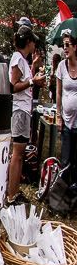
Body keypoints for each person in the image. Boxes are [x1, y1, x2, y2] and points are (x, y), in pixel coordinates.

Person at [7, 27, 45, 204]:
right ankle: (11, 195)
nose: (35, 44)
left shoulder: (22, 59)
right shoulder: (17, 58)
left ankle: (14, 191)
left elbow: (24, 79)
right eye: (33, 41)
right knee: (18, 154)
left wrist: (34, 67)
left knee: (19, 154)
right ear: (28, 42)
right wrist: (32, 81)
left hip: (23, 111)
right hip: (19, 111)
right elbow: (13, 86)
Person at [56, 34, 77, 180]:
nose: (65, 48)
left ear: (75, 47)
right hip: (67, 121)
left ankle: (74, 190)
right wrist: (58, 116)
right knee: (65, 160)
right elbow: (58, 93)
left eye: (67, 44)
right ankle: (61, 190)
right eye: (64, 45)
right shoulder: (61, 66)